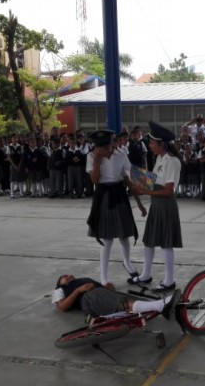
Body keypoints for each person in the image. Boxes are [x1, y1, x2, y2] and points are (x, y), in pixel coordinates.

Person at [86, 129, 147, 286]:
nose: (105, 150)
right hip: (103, 195)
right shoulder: (92, 156)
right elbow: (94, 180)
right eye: (101, 147)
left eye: (107, 146)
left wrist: (153, 186)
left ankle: (127, 262)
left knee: (124, 235)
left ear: (112, 143)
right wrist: (98, 160)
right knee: (106, 239)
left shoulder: (120, 154)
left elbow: (131, 174)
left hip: (119, 194)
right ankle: (104, 277)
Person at [128, 121, 183, 291]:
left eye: (152, 143)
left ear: (162, 144)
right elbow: (153, 180)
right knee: (149, 241)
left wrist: (145, 192)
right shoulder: (159, 158)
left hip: (166, 206)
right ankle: (145, 275)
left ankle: (169, 281)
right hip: (156, 205)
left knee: (166, 243)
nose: (150, 146)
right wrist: (133, 175)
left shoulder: (172, 161)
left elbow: (168, 190)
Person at [52, 274, 177, 319]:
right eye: (64, 276)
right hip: (87, 299)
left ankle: (162, 306)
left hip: (100, 294)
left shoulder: (83, 279)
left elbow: (106, 294)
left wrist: (108, 287)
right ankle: (160, 305)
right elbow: (62, 306)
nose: (68, 276)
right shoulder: (61, 289)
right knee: (120, 301)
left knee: (128, 298)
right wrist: (79, 290)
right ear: (60, 283)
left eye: (68, 274)